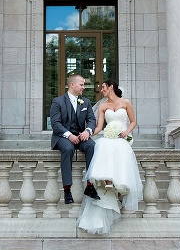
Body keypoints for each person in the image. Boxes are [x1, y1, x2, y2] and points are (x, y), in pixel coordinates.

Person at [77, 79, 143, 234]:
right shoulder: (103, 106)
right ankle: (107, 180)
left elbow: (133, 121)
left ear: (111, 87)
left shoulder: (126, 103)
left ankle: (117, 182)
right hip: (108, 136)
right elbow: (99, 127)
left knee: (119, 146)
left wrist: (126, 132)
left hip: (123, 136)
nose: (102, 90)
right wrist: (88, 133)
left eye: (103, 88)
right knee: (103, 145)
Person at [50, 74, 100, 204]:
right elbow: (56, 124)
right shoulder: (58, 101)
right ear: (72, 85)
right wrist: (69, 135)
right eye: (82, 84)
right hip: (63, 136)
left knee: (92, 146)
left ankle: (90, 185)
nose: (84, 87)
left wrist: (87, 131)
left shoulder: (86, 102)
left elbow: (91, 120)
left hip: (80, 135)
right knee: (67, 148)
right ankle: (67, 189)